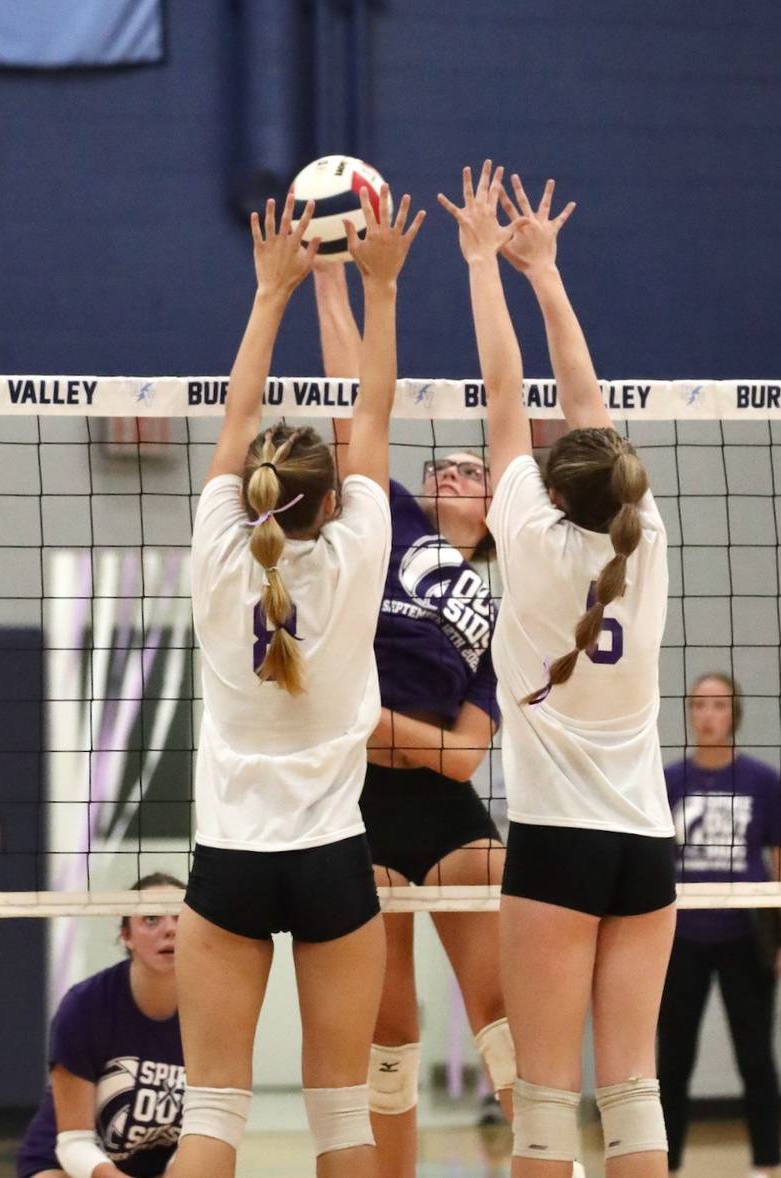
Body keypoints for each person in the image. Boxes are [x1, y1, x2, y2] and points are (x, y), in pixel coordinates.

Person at [172, 186, 424, 1178]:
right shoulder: (358, 549)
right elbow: (371, 405)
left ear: (254, 496)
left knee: (213, 1119)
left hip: (227, 857)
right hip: (329, 858)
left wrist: (269, 293)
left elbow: (239, 410)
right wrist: (380, 289)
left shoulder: (216, 549)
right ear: (332, 496)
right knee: (342, 1123)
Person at [440, 160, 677, 1177]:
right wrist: (542, 272)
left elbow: (504, 389)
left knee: (542, 1099)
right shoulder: (645, 538)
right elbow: (578, 401)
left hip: (557, 845)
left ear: (550, 485)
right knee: (633, 1091)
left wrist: (482, 262)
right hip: (644, 847)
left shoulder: (526, 539)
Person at [313, 259, 514, 1178]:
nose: (457, 466)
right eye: (452, 461)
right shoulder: (389, 520)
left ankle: (556, 1159)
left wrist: (382, 726)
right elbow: (362, 400)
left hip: (445, 811)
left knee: (505, 1011)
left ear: (494, 513)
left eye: (475, 466)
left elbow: (469, 757)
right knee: (388, 1031)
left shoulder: (507, 608)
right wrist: (328, 284)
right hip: (364, 809)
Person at [658, 672, 781, 1177]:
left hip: (745, 937)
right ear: (689, 712)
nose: (708, 715)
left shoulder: (763, 781)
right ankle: (665, 1166)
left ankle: (767, 1166)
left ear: (735, 714)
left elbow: (778, 862)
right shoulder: (667, 782)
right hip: (680, 938)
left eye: (719, 705)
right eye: (699, 705)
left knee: (755, 1057)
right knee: (672, 1064)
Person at [16, 873, 184, 1178]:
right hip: (66, 1162)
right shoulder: (85, 1005)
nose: (170, 929)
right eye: (151, 919)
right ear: (126, 936)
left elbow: (209, 1130)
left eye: (179, 918)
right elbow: (74, 1143)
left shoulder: (214, 1009)